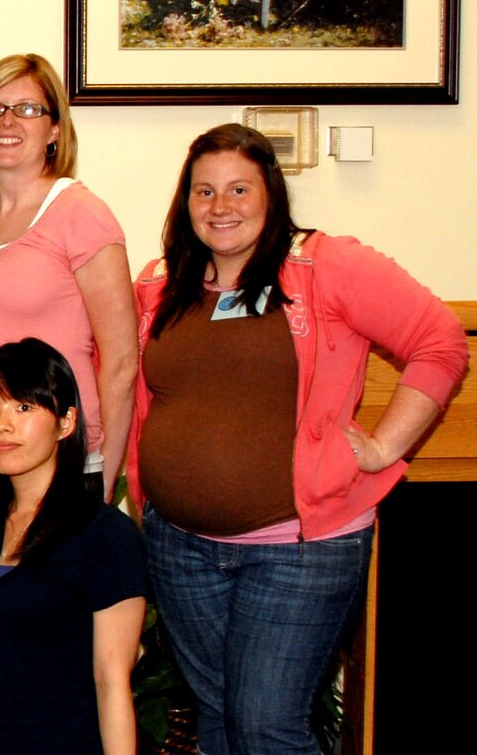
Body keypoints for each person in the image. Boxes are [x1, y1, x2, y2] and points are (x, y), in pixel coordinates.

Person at [128, 124, 467, 755]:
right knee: (218, 718)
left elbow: (440, 342)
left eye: (239, 189)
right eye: (204, 191)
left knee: (267, 727)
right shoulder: (159, 283)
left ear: (271, 194)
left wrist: (385, 447)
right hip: (180, 547)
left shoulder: (325, 265)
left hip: (300, 549)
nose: (220, 206)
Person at [0, 53, 136, 719]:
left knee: (44, 666)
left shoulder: (80, 214)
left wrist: (101, 481)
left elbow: (121, 359)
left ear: (54, 128)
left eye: (26, 108)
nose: (8, 121)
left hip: (56, 477)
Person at [0, 339, 144, 755]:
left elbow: (112, 683)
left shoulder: (106, 536)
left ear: (66, 422)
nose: (2, 424)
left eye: (24, 407)